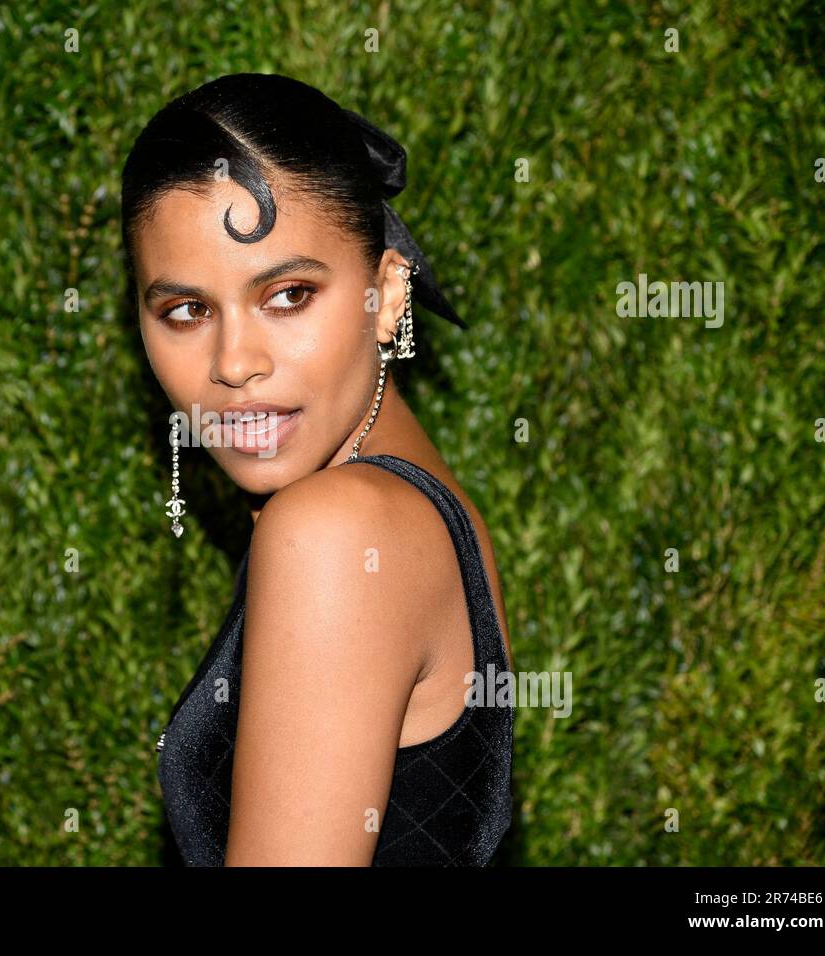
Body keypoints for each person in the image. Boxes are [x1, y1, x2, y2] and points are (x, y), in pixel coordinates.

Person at [121, 72, 514, 866]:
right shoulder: (408, 500)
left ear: (387, 292)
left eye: (289, 294)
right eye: (186, 311)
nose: (234, 364)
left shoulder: (337, 531)